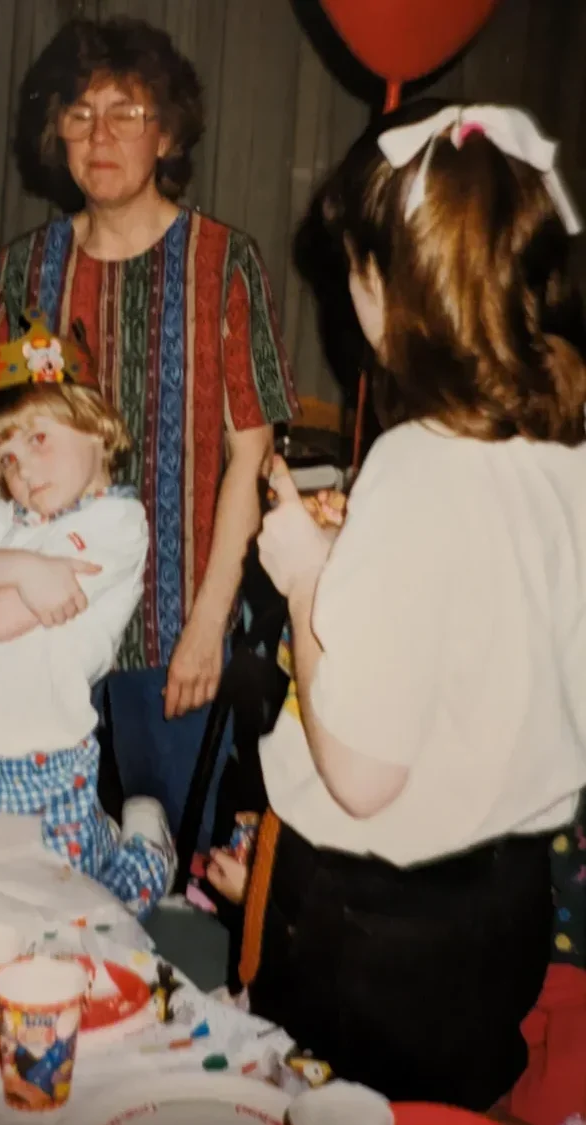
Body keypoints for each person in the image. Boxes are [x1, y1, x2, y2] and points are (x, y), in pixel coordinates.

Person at [249, 103, 586, 1109]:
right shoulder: (563, 454)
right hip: (508, 902)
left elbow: (358, 775)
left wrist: (307, 574)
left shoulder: (415, 465)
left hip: (378, 928)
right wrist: (360, 556)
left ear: (381, 285)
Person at [0, 17, 298, 843]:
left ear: (169, 133)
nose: (100, 133)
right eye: (79, 113)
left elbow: (251, 454)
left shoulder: (224, 263)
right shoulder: (24, 268)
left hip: (171, 639)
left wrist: (208, 628)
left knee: (169, 870)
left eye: (127, 112)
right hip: (45, 632)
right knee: (40, 866)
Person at [0, 321, 175, 919]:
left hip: (35, 775)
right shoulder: (10, 515)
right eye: (5, 458)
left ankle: (146, 847)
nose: (23, 472)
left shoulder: (117, 525)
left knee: (68, 925)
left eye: (38, 439)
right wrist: (24, 567)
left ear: (93, 423)